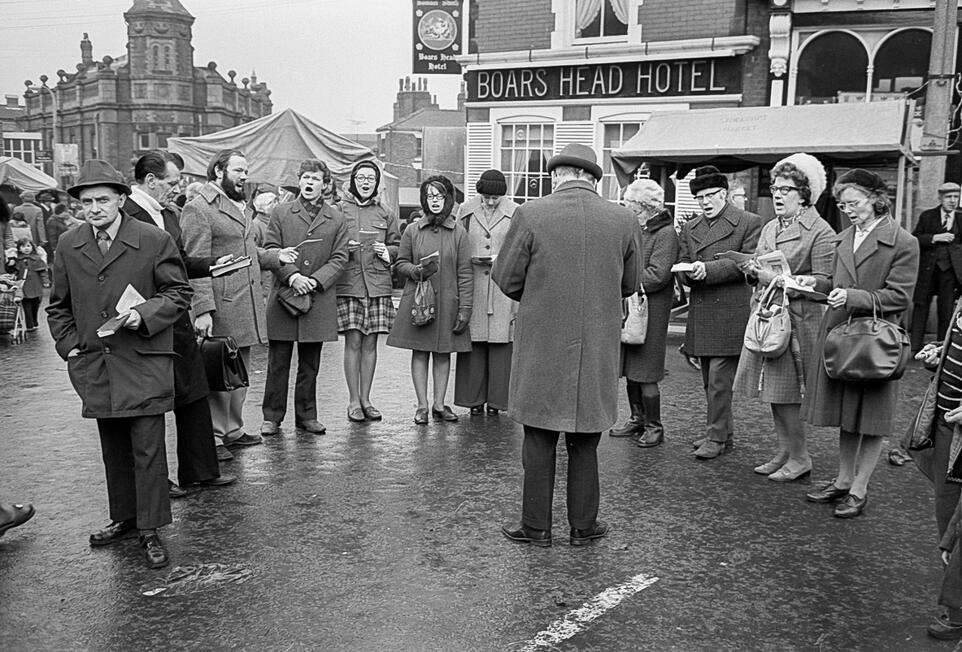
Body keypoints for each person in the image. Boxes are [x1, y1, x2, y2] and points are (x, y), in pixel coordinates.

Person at [46, 159, 193, 569]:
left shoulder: (151, 239)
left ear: (122, 199)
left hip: (142, 356)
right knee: (114, 448)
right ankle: (126, 518)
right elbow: (57, 306)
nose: (94, 208)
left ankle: (150, 528)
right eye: (86, 201)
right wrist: (70, 346)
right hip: (97, 362)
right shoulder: (69, 243)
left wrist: (143, 315)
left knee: (147, 448)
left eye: (103, 200)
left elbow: (178, 293)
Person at [493, 144, 637, 547]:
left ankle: (537, 527)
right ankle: (583, 527)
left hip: (543, 341)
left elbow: (505, 278)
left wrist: (541, 295)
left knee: (538, 438)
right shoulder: (623, 219)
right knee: (586, 439)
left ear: (558, 176)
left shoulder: (531, 214)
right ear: (594, 179)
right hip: (596, 344)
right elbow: (629, 283)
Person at [802, 168, 919, 518]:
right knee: (847, 413)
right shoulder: (844, 237)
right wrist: (813, 284)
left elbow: (899, 297)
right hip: (843, 335)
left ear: (875, 199)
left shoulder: (902, 241)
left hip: (876, 342)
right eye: (842, 204)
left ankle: (859, 488)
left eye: (853, 202)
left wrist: (851, 295)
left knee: (871, 418)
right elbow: (836, 284)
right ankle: (842, 479)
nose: (847, 209)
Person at [125, 150, 237, 494]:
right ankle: (157, 480)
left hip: (176, 316)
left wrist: (213, 265)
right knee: (152, 403)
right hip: (143, 320)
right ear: (151, 181)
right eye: (172, 182)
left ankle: (201, 470)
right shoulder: (126, 214)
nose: (178, 187)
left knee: (192, 392)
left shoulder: (168, 214)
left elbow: (180, 262)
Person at [733, 153, 835, 481]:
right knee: (774, 393)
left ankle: (801, 456)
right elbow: (760, 265)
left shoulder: (821, 230)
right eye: (775, 188)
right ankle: (784, 450)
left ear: (805, 194)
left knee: (788, 395)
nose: (777, 194)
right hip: (768, 317)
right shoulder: (770, 226)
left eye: (786, 189)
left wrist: (787, 280)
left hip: (798, 321)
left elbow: (826, 280)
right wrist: (751, 269)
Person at [181, 150, 285, 456]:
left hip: (246, 302)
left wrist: (276, 256)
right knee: (216, 370)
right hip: (221, 303)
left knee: (239, 371)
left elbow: (249, 251)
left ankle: (233, 429)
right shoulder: (198, 208)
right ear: (218, 172)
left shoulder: (241, 207)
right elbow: (195, 263)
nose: (244, 176)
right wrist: (203, 310)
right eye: (238, 170)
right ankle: (214, 435)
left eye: (246, 170)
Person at [678, 166, 762, 460]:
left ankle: (716, 436)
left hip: (730, 312)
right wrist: (688, 273)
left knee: (718, 381)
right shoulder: (691, 228)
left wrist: (707, 270)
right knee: (708, 381)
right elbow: (683, 261)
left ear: (724, 194)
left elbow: (748, 262)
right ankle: (722, 432)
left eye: (711, 195)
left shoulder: (748, 222)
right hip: (702, 312)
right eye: (700, 197)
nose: (705, 202)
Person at [260, 159, 349, 436]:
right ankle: (272, 416)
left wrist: (315, 280)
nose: (309, 183)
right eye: (305, 177)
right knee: (278, 361)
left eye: (315, 179)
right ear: (299, 181)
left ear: (325, 184)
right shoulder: (281, 212)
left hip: (317, 298)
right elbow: (271, 248)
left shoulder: (336, 217)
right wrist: (293, 276)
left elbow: (340, 256)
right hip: (285, 296)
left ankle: (307, 415)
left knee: (310, 363)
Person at [387, 175, 473, 424]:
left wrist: (465, 308)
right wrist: (415, 271)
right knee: (421, 352)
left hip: (448, 303)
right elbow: (400, 263)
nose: (434, 201)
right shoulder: (413, 231)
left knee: (444, 353)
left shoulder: (459, 233)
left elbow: (466, 273)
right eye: (430, 196)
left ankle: (439, 404)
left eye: (440, 196)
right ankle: (422, 406)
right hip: (420, 303)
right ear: (424, 199)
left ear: (448, 199)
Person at [609, 178, 679, 447]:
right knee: (632, 368)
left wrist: (622, 279)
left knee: (646, 371)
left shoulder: (665, 233)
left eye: (633, 208)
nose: (630, 213)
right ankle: (638, 418)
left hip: (651, 312)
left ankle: (654, 426)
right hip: (633, 309)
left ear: (647, 208)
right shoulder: (640, 228)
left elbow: (658, 275)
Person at [335, 161, 400, 422]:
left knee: (371, 343)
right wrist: (343, 248)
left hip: (377, 284)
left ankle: (367, 399)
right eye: (360, 177)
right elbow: (329, 244)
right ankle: (353, 401)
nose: (365, 182)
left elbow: (398, 245)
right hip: (349, 283)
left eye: (370, 178)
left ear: (376, 183)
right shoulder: (338, 210)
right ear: (353, 181)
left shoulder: (386, 212)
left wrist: (389, 252)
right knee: (353, 342)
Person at [453, 169, 519, 417]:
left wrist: (500, 258)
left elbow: (520, 246)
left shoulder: (515, 212)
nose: (490, 202)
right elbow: (458, 243)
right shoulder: (466, 210)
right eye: (486, 197)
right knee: (474, 343)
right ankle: (473, 400)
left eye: (495, 198)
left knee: (502, 344)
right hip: (473, 285)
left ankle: (497, 402)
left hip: (502, 287)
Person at [911, 182, 962, 353]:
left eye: (956, 197)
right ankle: (914, 347)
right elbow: (915, 239)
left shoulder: (961, 218)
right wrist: (935, 237)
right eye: (948, 197)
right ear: (940, 198)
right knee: (921, 306)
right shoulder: (928, 216)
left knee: (946, 309)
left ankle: (941, 348)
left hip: (949, 272)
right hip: (927, 271)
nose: (952, 201)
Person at [12, 237, 47, 331]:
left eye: (28, 246)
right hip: (23, 286)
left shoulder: (37, 259)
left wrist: (46, 281)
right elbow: (13, 271)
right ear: (19, 248)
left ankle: (34, 320)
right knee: (26, 306)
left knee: (35, 305)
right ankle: (29, 325)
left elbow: (43, 272)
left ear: (32, 247)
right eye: (23, 246)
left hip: (36, 286)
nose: (26, 248)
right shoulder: (17, 261)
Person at [12, 191, 47, 256]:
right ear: (33, 199)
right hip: (33, 236)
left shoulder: (16, 209)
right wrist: (42, 239)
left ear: (22, 199)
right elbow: (40, 226)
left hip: (18, 236)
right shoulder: (38, 210)